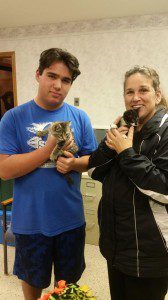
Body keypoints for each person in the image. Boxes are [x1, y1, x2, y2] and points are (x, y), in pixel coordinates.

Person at [0, 48, 97, 300]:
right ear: (38, 75)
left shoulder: (80, 117)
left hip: (70, 220)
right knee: (33, 285)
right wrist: (47, 149)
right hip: (30, 222)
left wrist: (74, 164)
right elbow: (4, 169)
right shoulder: (13, 118)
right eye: (51, 76)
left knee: (67, 290)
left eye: (66, 80)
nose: (58, 85)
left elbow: (92, 161)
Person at [88, 66, 168, 300]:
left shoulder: (165, 132)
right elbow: (93, 170)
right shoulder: (126, 129)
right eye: (129, 92)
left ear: (157, 94)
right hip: (116, 247)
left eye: (143, 90)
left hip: (150, 253)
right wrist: (110, 142)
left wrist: (126, 153)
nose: (135, 98)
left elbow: (164, 188)